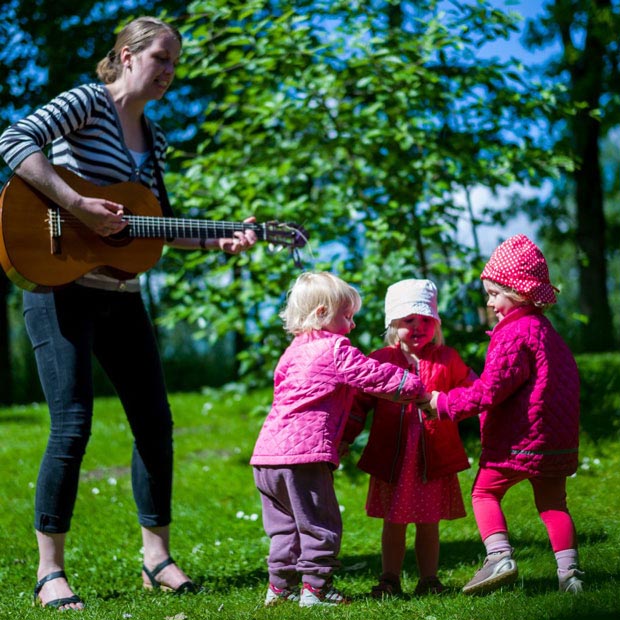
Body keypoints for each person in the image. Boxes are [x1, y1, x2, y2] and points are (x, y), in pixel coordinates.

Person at [0, 16, 257, 610]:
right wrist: (76, 203)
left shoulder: (155, 140)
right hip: (57, 284)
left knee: (155, 423)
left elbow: (150, 226)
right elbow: (14, 142)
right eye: (160, 58)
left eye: (174, 63)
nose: (168, 71)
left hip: (120, 296)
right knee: (72, 424)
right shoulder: (88, 103)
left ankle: (156, 555)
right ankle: (49, 571)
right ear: (125, 55)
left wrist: (218, 239)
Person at [250, 272, 431, 608]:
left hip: (265, 457)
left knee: (283, 528)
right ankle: (316, 589)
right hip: (304, 457)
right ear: (321, 313)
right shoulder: (335, 348)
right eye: (347, 316)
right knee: (320, 522)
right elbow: (373, 376)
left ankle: (280, 587)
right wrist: (415, 387)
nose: (352, 325)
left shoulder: (291, 352)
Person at [428, 234, 583, 595]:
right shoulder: (547, 332)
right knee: (553, 504)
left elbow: (491, 390)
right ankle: (570, 575)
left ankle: (499, 556)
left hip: (517, 439)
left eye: (495, 294)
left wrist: (445, 405)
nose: (490, 302)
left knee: (484, 492)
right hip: (554, 441)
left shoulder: (513, 334)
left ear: (518, 292)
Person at [340, 279, 476, 597]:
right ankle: (390, 578)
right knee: (394, 521)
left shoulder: (447, 358)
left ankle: (429, 579)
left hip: (433, 456)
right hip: (395, 459)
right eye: (409, 321)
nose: (418, 327)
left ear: (436, 323)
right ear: (393, 323)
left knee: (429, 522)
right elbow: (359, 403)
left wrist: (486, 415)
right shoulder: (380, 359)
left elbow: (474, 392)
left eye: (426, 320)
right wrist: (345, 436)